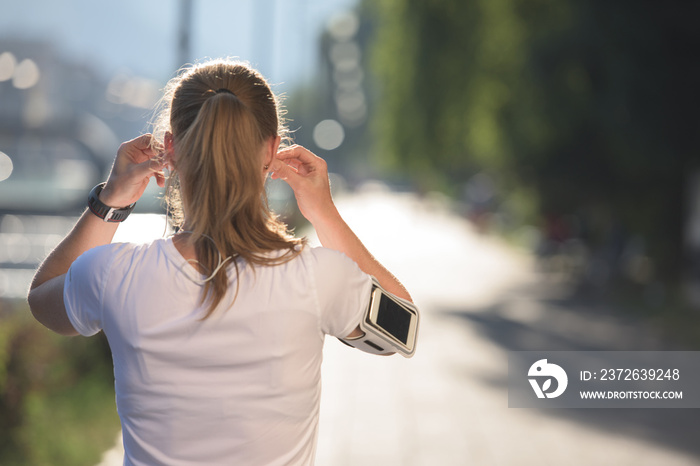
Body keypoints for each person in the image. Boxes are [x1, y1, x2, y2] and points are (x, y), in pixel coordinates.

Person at [27, 58, 414, 465]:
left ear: (171, 150)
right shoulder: (316, 277)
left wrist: (109, 202)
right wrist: (323, 212)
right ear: (271, 149)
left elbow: (41, 300)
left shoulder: (113, 273)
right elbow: (399, 328)